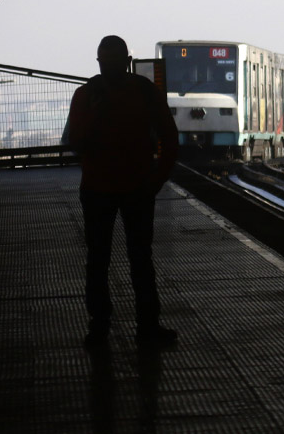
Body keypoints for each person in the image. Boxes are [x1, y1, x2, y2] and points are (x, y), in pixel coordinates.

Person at [67, 35, 180, 349]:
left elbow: (76, 142)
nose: (112, 68)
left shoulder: (86, 95)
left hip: (98, 189)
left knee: (99, 259)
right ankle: (147, 327)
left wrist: (95, 113)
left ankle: (100, 328)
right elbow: (170, 138)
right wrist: (157, 178)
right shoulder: (145, 92)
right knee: (140, 259)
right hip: (137, 188)